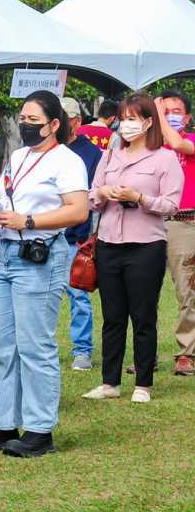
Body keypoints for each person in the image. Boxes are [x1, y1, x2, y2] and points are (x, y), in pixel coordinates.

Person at [0, 90, 89, 458]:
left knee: (36, 345)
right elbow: (5, 198)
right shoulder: (18, 156)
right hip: (4, 252)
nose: (25, 124)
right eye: (23, 117)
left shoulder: (67, 161)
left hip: (40, 254)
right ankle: (5, 423)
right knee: (4, 344)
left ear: (53, 124)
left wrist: (28, 220)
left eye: (33, 119)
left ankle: (39, 429)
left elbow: (78, 210)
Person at [82, 95, 182, 404]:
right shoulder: (110, 156)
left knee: (143, 315)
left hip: (146, 245)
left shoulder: (163, 158)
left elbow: (171, 204)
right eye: (123, 117)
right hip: (110, 242)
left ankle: (143, 382)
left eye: (133, 118)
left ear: (148, 122)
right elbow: (91, 196)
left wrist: (139, 197)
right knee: (113, 315)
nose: (126, 124)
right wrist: (103, 192)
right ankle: (109, 382)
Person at [62, 98, 104, 371]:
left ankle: (82, 350)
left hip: (74, 237)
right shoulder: (39, 150)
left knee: (78, 295)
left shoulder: (91, 154)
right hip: (38, 232)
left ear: (77, 121)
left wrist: (91, 237)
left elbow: (94, 197)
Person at [156, 89, 195, 376]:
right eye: (165, 110)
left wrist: (157, 114)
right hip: (151, 221)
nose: (170, 115)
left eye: (176, 111)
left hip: (184, 223)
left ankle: (186, 353)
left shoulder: (188, 140)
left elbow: (177, 142)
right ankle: (147, 354)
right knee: (144, 293)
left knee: (187, 290)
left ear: (188, 117)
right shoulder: (152, 146)